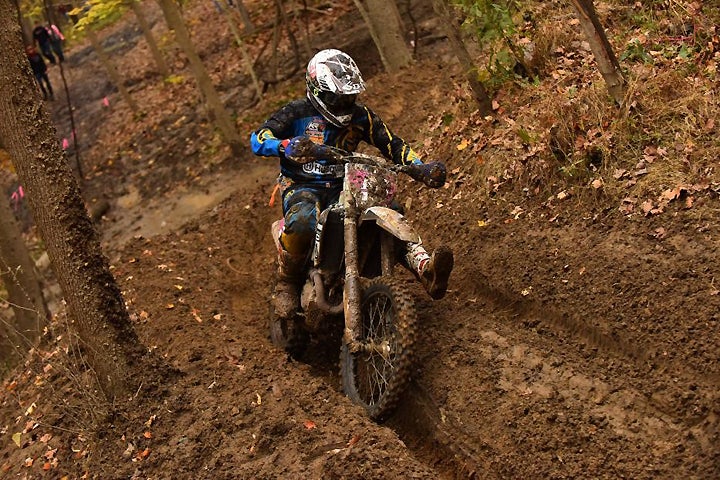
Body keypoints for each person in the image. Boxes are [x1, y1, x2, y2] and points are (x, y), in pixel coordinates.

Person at [250, 48, 454, 318]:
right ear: (318, 89)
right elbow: (258, 137)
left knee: (389, 210)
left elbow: (392, 144)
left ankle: (425, 268)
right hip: (302, 185)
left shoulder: (361, 117)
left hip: (346, 184)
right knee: (302, 220)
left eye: (349, 97)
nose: (345, 103)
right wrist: (285, 145)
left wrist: (420, 167)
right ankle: (287, 282)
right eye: (338, 97)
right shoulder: (296, 113)